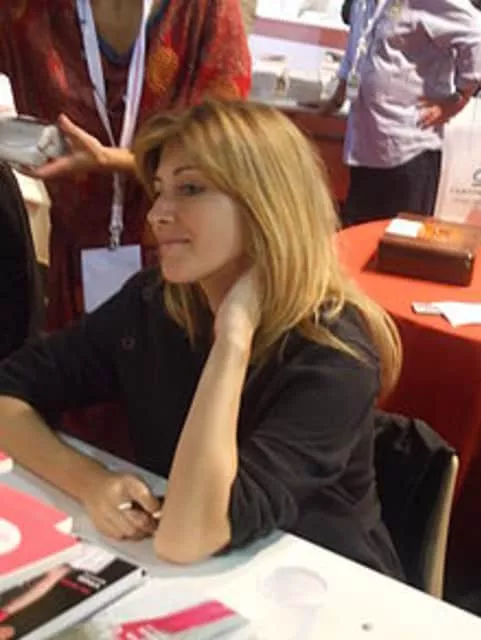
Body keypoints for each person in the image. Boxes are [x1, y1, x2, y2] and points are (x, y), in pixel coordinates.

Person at [0, 100, 403, 576]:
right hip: (199, 579)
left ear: (266, 205)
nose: (157, 214)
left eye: (190, 189)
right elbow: (9, 391)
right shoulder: (156, 301)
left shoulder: (334, 354)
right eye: (159, 191)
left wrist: (232, 337)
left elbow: (188, 536)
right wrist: (90, 482)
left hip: (327, 591)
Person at [0, 0, 251, 452]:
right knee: (68, 415)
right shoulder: (28, 10)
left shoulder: (204, 11)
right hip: (75, 263)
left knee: (178, 430)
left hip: (186, 267)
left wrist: (114, 161)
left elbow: (227, 150)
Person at [321, 0, 481, 226]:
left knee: (400, 240)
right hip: (364, 147)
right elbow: (356, 47)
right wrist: (338, 96)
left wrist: (458, 99)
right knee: (357, 236)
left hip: (409, 151)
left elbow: (475, 34)